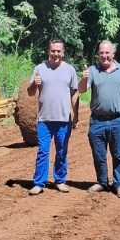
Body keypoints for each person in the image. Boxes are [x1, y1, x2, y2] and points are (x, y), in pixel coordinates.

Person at [78, 41, 120, 199]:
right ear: (98, 54)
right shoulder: (92, 70)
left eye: (107, 53)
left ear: (113, 54)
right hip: (97, 120)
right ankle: (102, 182)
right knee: (99, 154)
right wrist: (83, 78)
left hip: (118, 120)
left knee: (118, 154)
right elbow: (82, 90)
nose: (104, 56)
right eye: (101, 53)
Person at [27, 38, 80, 195]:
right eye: (53, 51)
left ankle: (60, 180)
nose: (55, 54)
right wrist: (34, 84)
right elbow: (30, 93)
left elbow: (74, 93)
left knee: (62, 151)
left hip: (64, 119)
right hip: (44, 119)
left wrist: (75, 115)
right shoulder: (40, 69)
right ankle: (39, 183)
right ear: (48, 51)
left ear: (63, 53)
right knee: (43, 151)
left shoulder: (70, 70)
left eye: (58, 51)